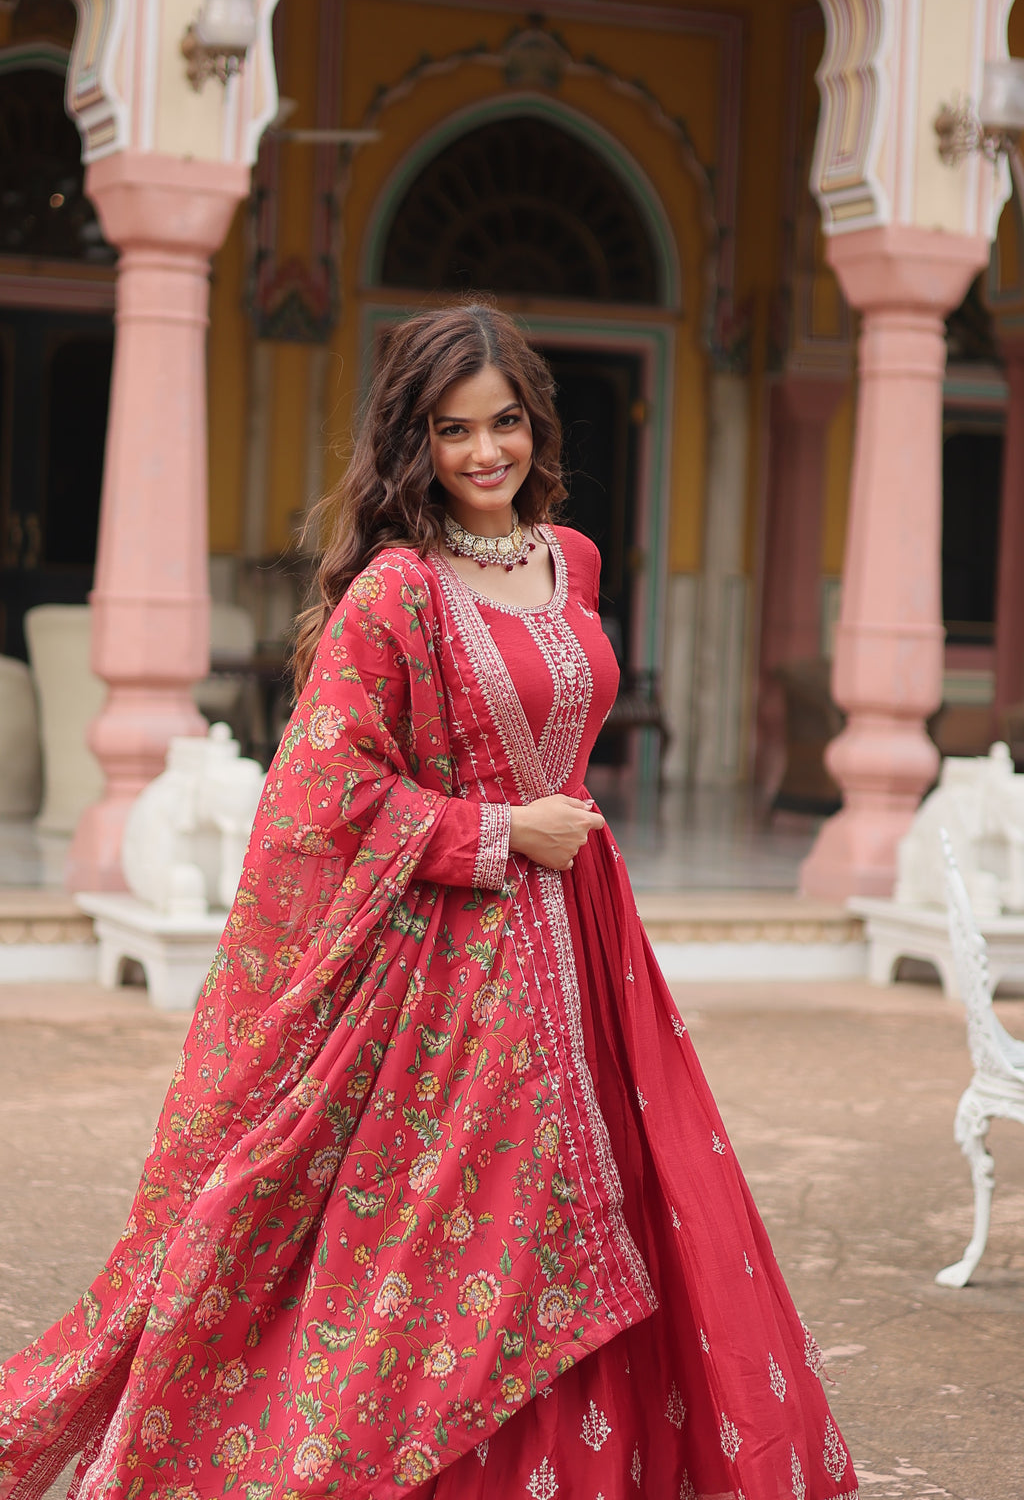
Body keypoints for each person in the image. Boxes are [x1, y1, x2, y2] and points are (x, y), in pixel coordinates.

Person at [0, 303, 858, 1500]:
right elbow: (323, 788)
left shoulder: (573, 559)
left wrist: (550, 836)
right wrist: (498, 833)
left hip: (589, 940)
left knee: (623, 1192)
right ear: (418, 441)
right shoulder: (398, 589)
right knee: (485, 1233)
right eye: (454, 431)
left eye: (504, 423)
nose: (484, 452)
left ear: (535, 424)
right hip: (456, 961)